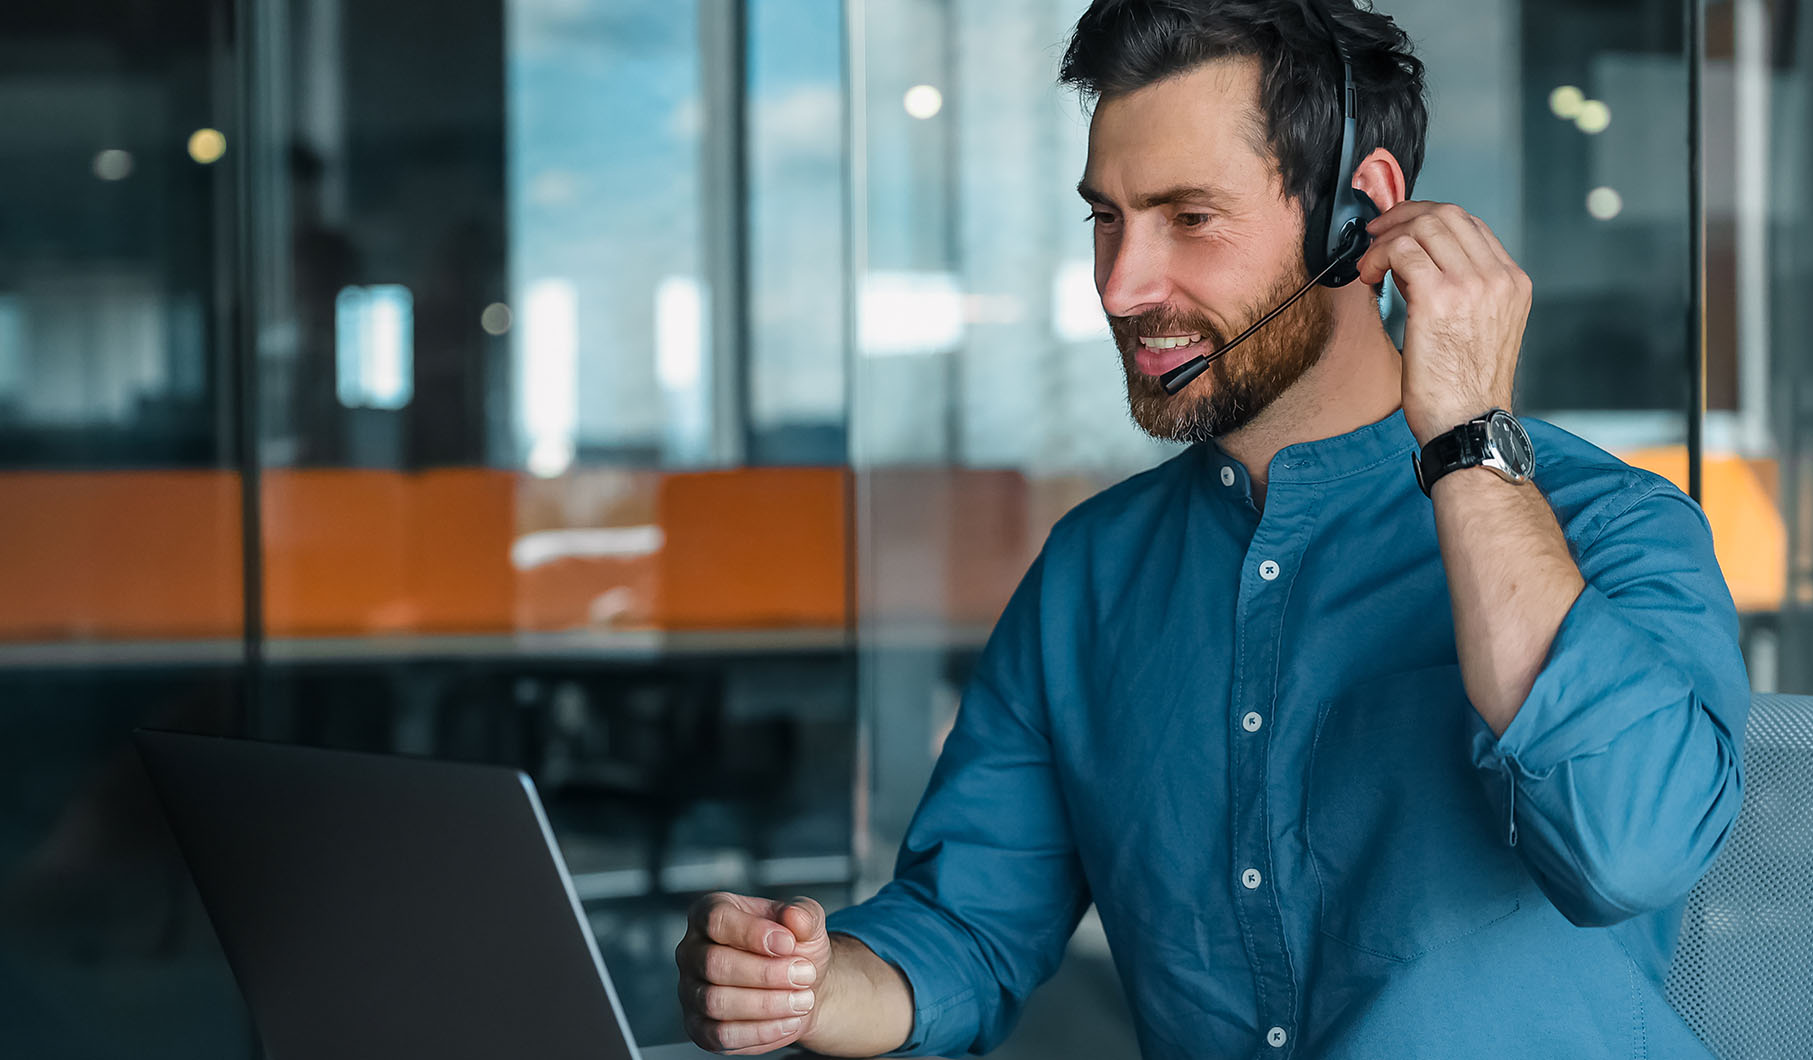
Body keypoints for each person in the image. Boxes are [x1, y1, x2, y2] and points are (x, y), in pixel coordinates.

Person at [676, 1, 1749, 1056]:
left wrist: (1468, 435)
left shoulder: (1610, 526)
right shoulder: (1091, 574)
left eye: (1188, 217)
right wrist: (803, 989)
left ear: (1357, 210)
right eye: (1106, 217)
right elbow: (968, 927)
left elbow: (1630, 850)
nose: (1120, 284)